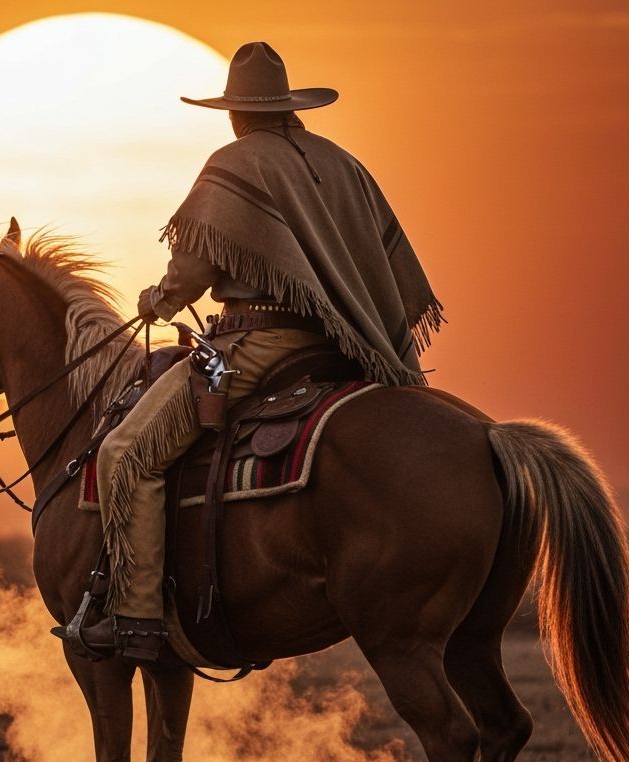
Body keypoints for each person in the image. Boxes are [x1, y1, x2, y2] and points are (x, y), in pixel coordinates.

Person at [79, 41, 444, 661]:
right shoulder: (344, 165)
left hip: (257, 344)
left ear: (234, 112)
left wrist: (160, 299)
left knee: (125, 453)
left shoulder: (235, 164)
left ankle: (136, 620)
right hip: (342, 346)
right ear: (288, 105)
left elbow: (193, 265)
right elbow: (386, 264)